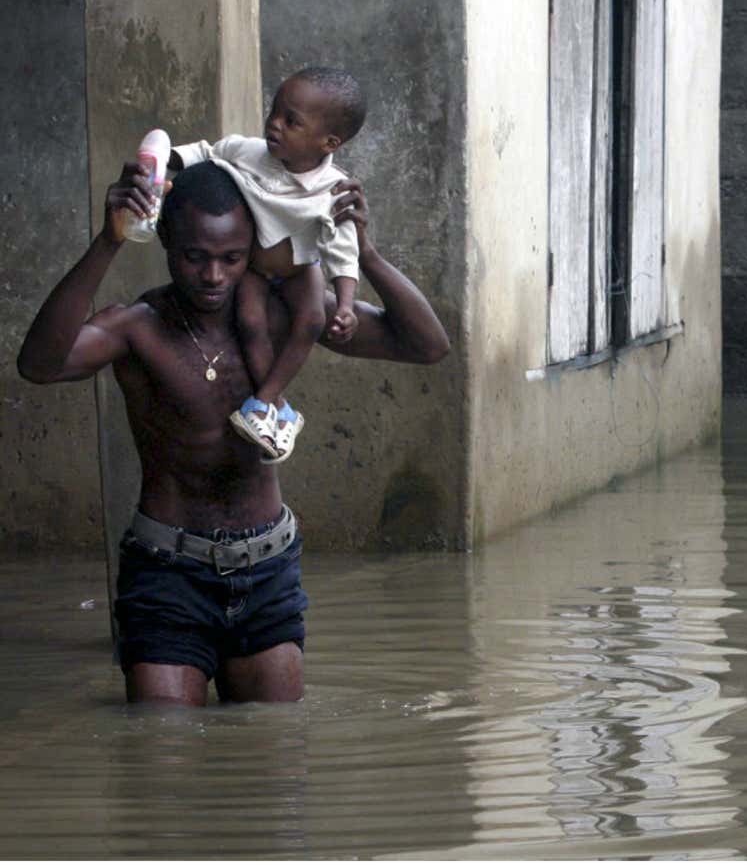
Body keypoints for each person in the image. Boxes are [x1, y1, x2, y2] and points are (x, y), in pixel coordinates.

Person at [15, 162, 451, 704]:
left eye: (231, 258)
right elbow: (39, 365)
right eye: (196, 257)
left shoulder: (279, 315)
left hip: (267, 571)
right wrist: (110, 241)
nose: (214, 276)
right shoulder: (137, 326)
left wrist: (365, 254)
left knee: (270, 756)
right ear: (167, 243)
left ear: (254, 249)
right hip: (167, 574)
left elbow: (428, 346)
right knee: (162, 752)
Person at [169, 67, 369, 464]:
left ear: (329, 142)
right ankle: (273, 406)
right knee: (250, 322)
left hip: (300, 267)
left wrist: (346, 304)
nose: (274, 124)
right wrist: (164, 160)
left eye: (291, 121)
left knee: (311, 320)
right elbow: (205, 153)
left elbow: (342, 250)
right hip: (257, 269)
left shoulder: (334, 189)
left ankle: (264, 400)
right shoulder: (248, 151)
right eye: (274, 111)